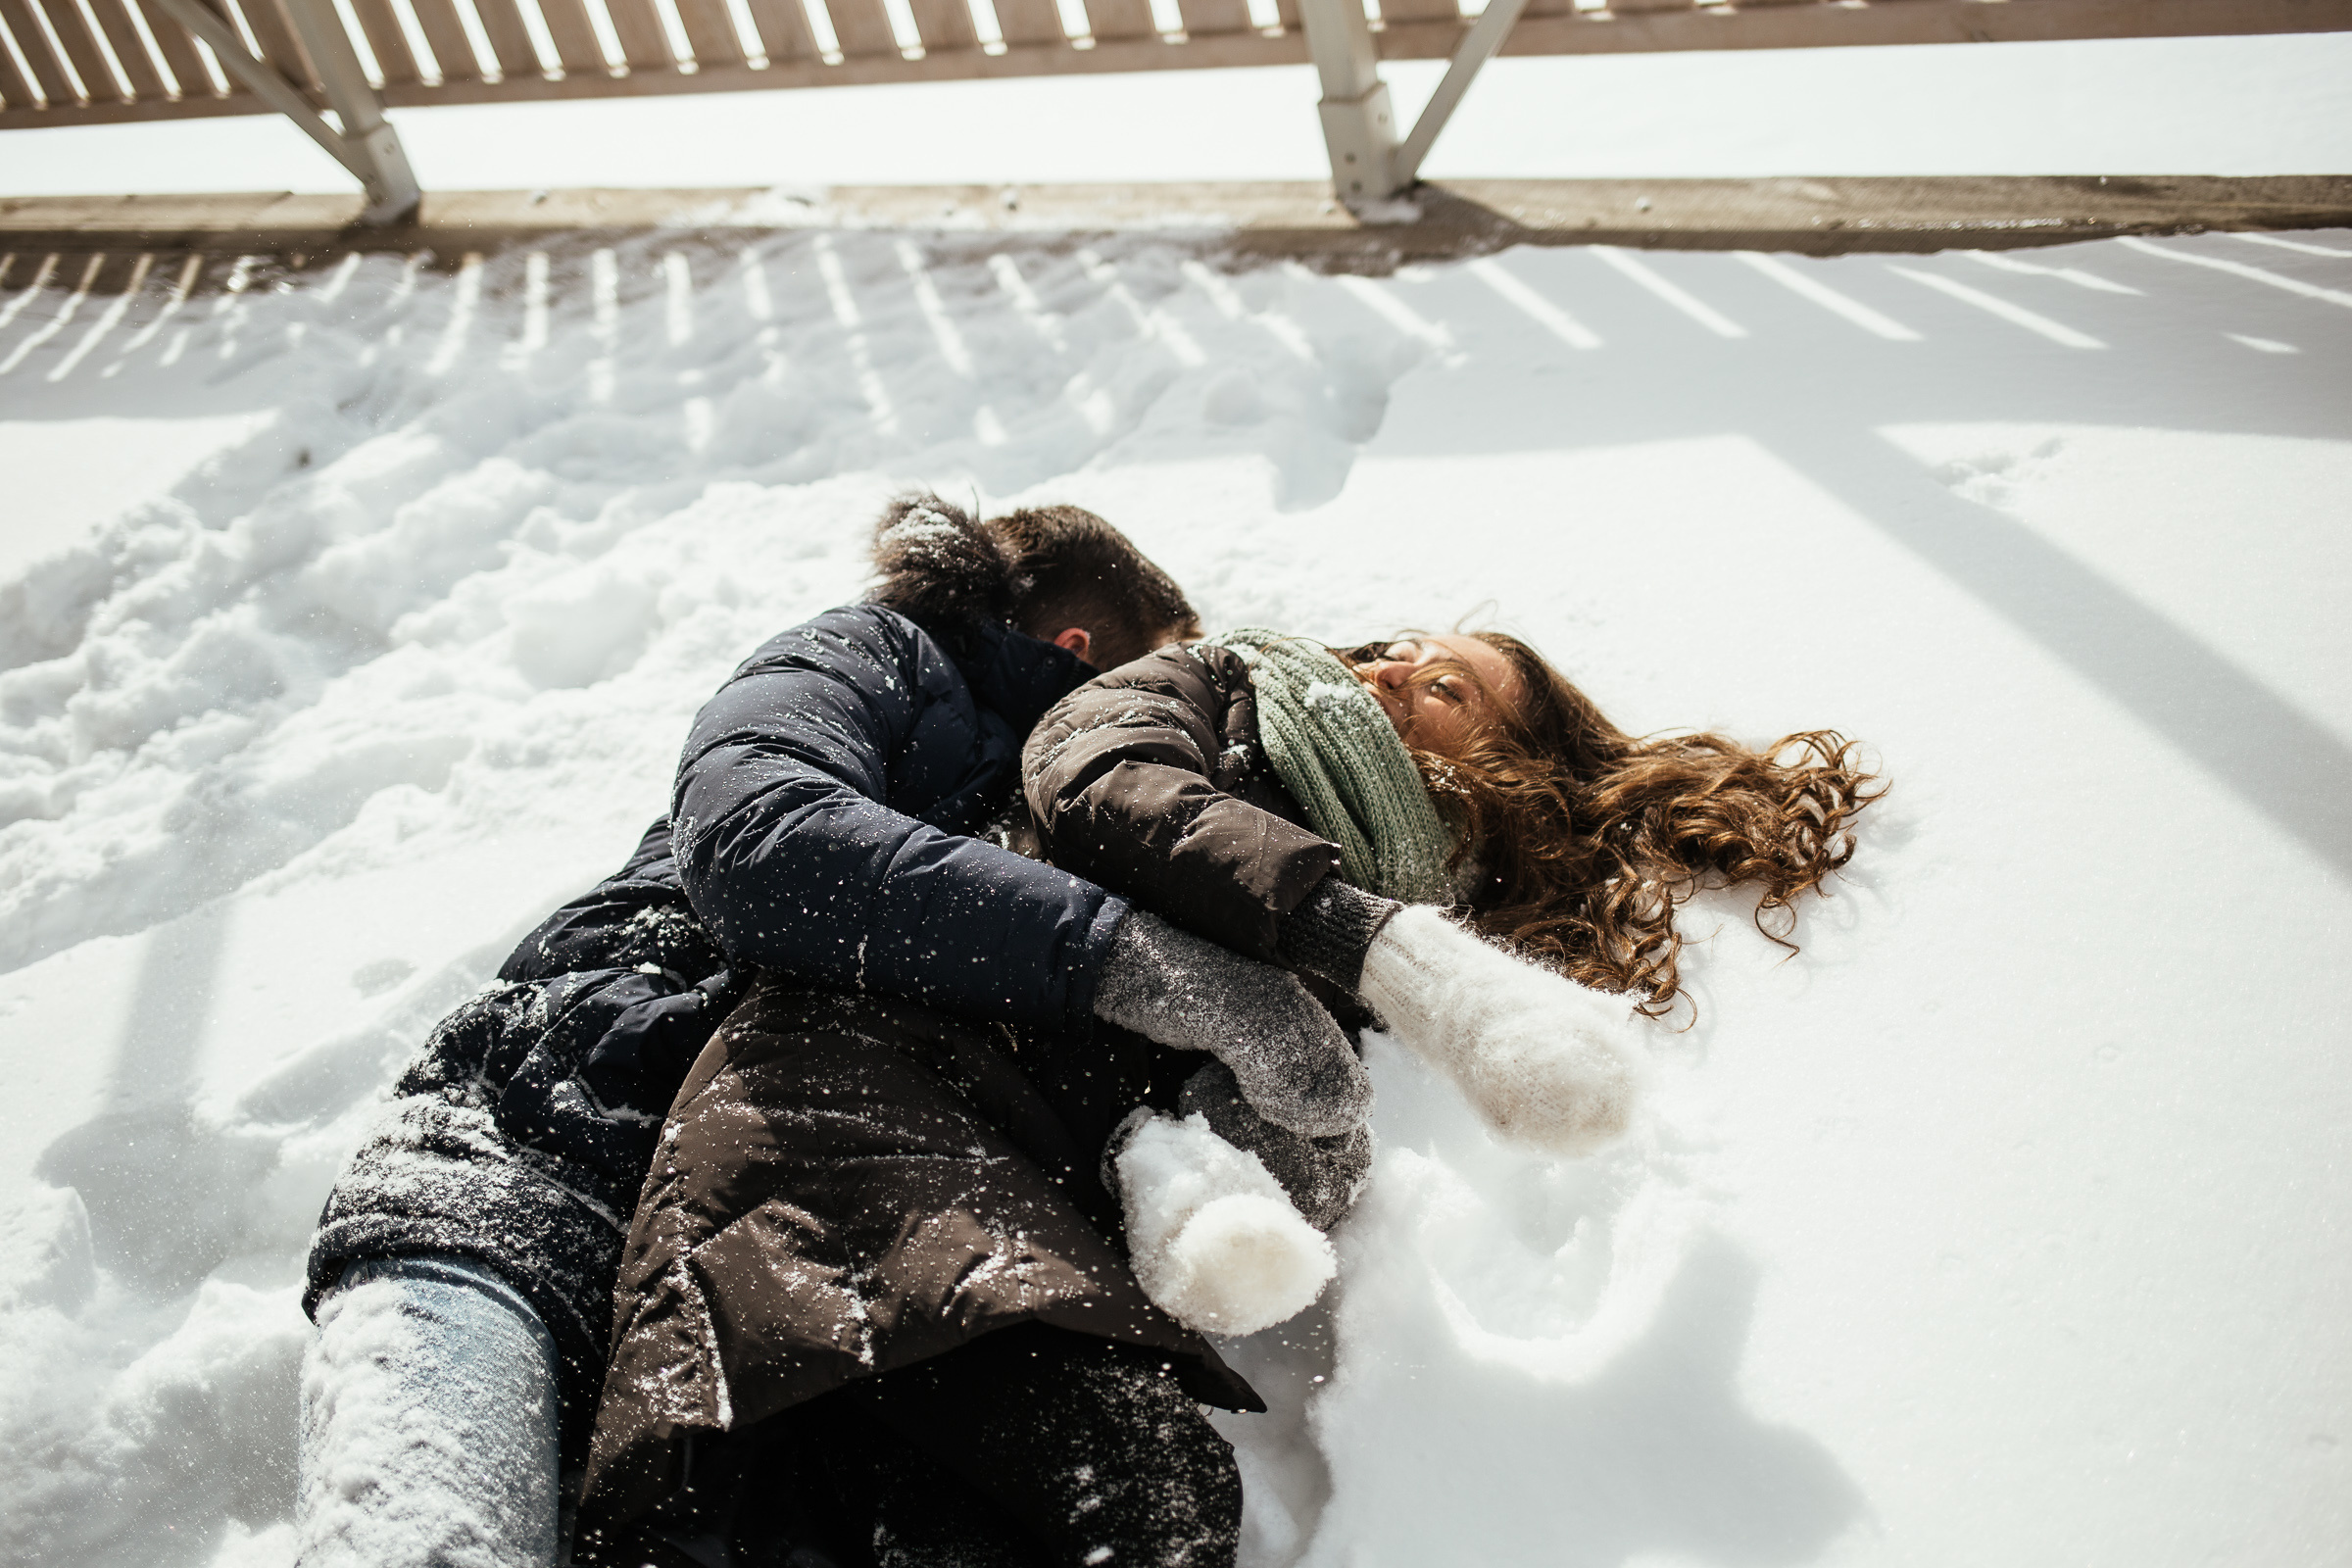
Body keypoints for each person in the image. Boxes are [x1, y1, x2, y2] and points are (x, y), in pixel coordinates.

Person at [295, 496, 1232, 1568]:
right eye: (1156, 668)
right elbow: (765, 842)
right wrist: (1124, 960)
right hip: (535, 1153)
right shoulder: (873, 655)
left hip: (732, 1267)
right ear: (1079, 651)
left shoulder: (1057, 807)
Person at [1019, 626, 1883, 1333]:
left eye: (1444, 687)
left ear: (1507, 765)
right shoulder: (1221, 678)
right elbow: (1100, 778)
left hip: (1050, 1151)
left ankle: (1191, 1209)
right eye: (1406, 645)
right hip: (986, 971)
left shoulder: (1435, 892)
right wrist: (1374, 944)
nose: (1391, 668)